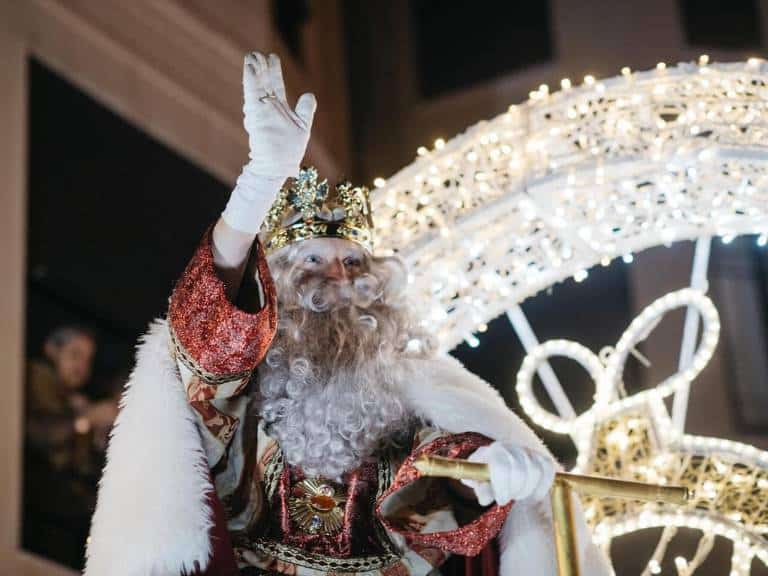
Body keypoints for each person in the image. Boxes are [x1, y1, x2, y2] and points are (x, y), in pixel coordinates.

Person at [85, 53, 611, 576]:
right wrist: (259, 185)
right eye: (312, 259)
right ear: (277, 281)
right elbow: (207, 331)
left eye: (353, 262)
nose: (338, 277)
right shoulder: (237, 390)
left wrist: (482, 475)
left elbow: (422, 493)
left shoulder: (398, 394)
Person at [24, 326, 116, 569]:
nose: (82, 366)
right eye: (75, 355)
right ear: (52, 350)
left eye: (88, 360)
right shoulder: (33, 376)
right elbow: (36, 434)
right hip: (36, 509)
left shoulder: (74, 401)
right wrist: (85, 420)